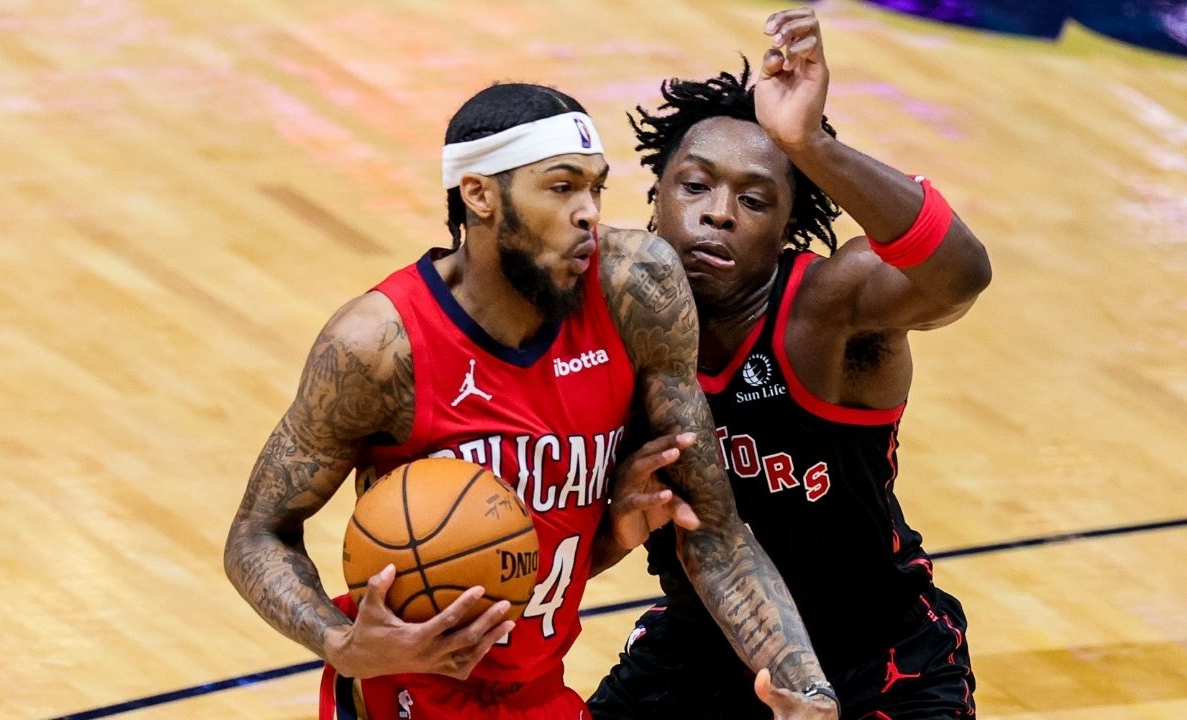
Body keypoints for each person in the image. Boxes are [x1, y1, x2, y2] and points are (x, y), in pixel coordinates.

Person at [223, 81, 838, 719]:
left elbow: (713, 530)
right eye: (561, 186)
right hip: (401, 703)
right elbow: (256, 534)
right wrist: (340, 643)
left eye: (596, 187)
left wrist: (806, 690)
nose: (590, 212)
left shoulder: (635, 286)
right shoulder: (379, 347)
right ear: (480, 194)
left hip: (542, 698)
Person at [589, 8, 990, 720]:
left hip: (878, 662)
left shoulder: (825, 308)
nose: (718, 214)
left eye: (753, 199)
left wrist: (809, 144)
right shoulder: (608, 314)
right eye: (695, 186)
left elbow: (959, 275)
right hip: (698, 655)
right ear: (655, 195)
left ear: (786, 226)